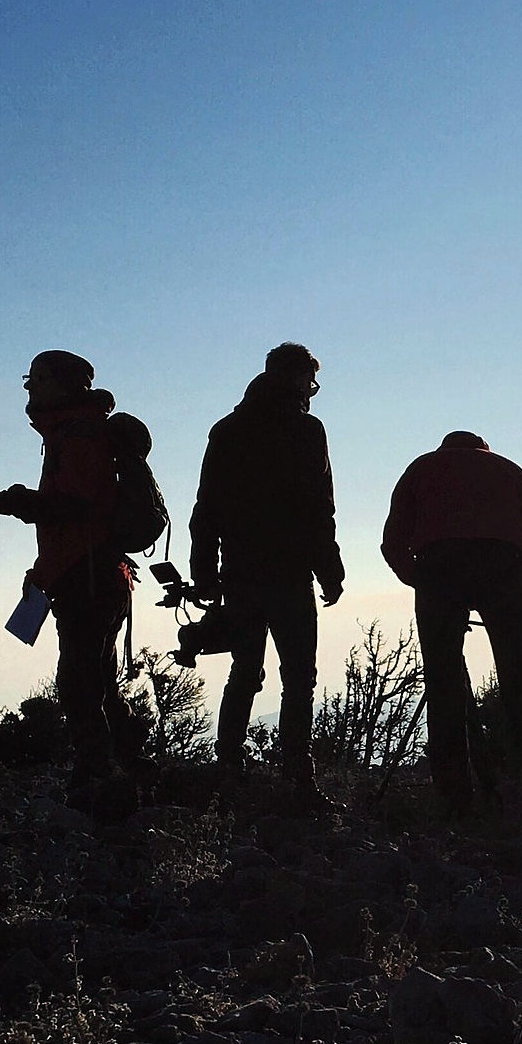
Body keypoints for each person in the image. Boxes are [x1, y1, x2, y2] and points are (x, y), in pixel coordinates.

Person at [0, 350, 145, 798]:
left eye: (38, 378)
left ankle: (98, 779)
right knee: (98, 680)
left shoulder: (80, 435)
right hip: (92, 574)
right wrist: (42, 571)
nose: (29, 386)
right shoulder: (71, 431)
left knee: (77, 685)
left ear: (67, 384)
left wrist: (9, 501)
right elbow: (74, 519)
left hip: (89, 578)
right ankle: (130, 768)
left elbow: (72, 508)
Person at [190, 342, 345, 806]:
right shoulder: (306, 429)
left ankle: (228, 770)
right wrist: (329, 569)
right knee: (299, 678)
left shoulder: (228, 429)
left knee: (245, 671)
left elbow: (206, 507)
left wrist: (205, 570)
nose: (312, 391)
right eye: (309, 381)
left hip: (240, 572)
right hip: (290, 572)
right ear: (297, 379)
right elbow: (319, 506)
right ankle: (298, 779)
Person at [382, 432, 522, 815]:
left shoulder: (421, 468)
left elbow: (393, 541)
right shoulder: (509, 470)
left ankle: (454, 795)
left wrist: (417, 578)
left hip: (440, 566)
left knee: (442, 683)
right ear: (483, 448)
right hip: (503, 566)